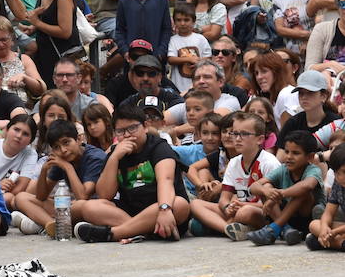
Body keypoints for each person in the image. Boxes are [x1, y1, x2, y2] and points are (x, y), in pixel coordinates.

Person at [72, 98, 190, 243]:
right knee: (90, 207)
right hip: (131, 212)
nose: (127, 135)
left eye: (132, 128)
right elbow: (104, 194)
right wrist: (114, 158)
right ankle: (142, 232)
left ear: (145, 126)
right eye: (120, 131)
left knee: (180, 204)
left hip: (162, 207)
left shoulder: (159, 147)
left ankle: (114, 233)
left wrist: (164, 209)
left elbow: (166, 180)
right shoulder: (116, 153)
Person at [188, 110, 278, 241]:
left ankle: (233, 227)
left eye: (244, 134)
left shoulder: (269, 162)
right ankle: (229, 229)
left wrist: (240, 206)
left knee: (244, 212)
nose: (237, 139)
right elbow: (224, 199)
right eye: (235, 133)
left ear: (260, 139)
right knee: (196, 204)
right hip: (236, 209)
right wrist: (227, 208)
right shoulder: (234, 162)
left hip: (261, 213)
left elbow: (275, 205)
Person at [12, 120, 107, 236]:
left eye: (66, 142)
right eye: (56, 147)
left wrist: (67, 167)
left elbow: (83, 197)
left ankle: (40, 225)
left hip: (96, 207)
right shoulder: (62, 158)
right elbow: (41, 197)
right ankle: (51, 225)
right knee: (21, 198)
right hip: (71, 208)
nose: (63, 150)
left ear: (78, 139)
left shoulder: (94, 157)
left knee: (80, 205)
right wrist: (44, 170)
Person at [247, 130, 323, 246]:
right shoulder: (283, 169)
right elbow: (254, 186)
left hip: (307, 218)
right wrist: (266, 191)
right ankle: (285, 229)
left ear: (310, 157)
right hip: (287, 218)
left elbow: (307, 185)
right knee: (267, 186)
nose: (289, 157)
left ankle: (275, 228)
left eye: (295, 153)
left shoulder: (313, 169)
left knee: (303, 192)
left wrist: (279, 194)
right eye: (287, 152)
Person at [23, 0, 79, 87]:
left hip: (63, 57)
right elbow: (49, 20)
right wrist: (34, 28)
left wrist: (37, 23)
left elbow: (65, 31)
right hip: (45, 55)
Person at [0, 114, 40, 211]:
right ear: (7, 130)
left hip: (5, 196)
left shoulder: (30, 153)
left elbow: (21, 186)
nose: (19, 136)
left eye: (25, 134)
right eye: (16, 130)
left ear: (30, 141)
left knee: (11, 196)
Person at [0, 16, 44, 101]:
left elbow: (41, 89)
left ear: (12, 38)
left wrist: (24, 78)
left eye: (4, 39)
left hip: (21, 108)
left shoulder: (23, 59)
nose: (1, 44)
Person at [305, 0, 345, 70]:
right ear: (338, 6)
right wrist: (329, 65)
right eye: (343, 4)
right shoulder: (321, 29)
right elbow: (309, 68)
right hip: (328, 81)